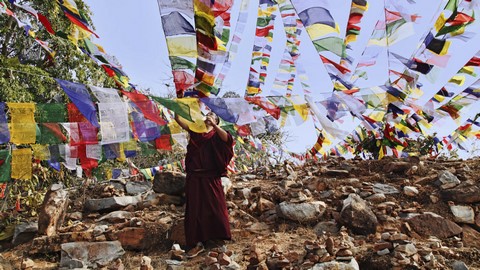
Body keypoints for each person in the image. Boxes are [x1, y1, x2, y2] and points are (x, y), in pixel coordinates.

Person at [174, 111, 234, 258]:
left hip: (211, 177)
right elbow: (178, 119)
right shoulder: (196, 132)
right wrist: (178, 103)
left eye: (212, 115)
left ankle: (218, 239)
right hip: (194, 176)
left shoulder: (218, 134)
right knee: (195, 209)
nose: (208, 116)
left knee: (216, 206)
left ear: (216, 121)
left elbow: (228, 141)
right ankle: (196, 243)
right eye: (207, 114)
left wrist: (214, 126)